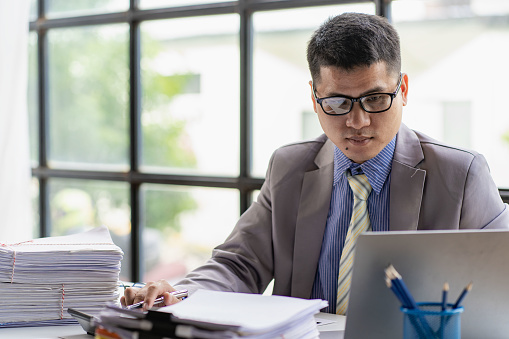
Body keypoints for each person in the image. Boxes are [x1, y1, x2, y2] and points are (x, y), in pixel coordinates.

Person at [121, 12, 509, 314]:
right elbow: (239, 263)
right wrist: (181, 292)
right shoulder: (290, 167)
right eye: (338, 103)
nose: (357, 123)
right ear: (314, 97)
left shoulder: (461, 176)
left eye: (375, 99)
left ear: (402, 89)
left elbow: (500, 284)